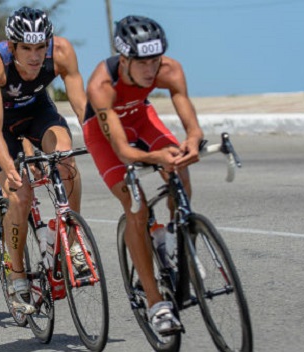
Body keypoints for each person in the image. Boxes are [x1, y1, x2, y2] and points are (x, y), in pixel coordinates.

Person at [83, 15, 203, 334]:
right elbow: (123, 152)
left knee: (179, 165)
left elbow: (185, 109)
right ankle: (155, 303)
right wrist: (155, 156)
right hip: (103, 134)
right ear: (124, 59)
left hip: (141, 116)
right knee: (135, 206)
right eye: (143, 62)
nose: (151, 69)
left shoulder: (169, 69)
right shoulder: (101, 85)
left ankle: (176, 241)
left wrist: (191, 139)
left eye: (155, 59)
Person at [0, 6, 86, 313]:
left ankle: (73, 238)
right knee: (20, 196)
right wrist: (10, 168)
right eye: (26, 48)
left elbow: (81, 107)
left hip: (40, 115)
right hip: (3, 127)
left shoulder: (62, 52)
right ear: (12, 46)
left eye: (41, 47)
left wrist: (99, 138)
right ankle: (16, 273)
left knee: (66, 159)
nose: (35, 56)